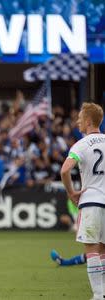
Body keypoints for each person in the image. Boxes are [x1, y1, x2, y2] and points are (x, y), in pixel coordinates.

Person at [60, 102, 105, 300]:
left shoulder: (81, 144)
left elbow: (64, 170)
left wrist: (71, 193)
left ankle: (97, 295)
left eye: (80, 118)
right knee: (103, 249)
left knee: (92, 249)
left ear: (88, 121)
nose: (77, 121)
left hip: (92, 201)